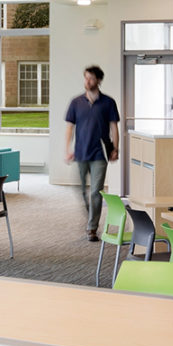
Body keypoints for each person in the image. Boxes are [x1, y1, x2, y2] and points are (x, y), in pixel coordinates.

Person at [64, 64, 120, 242]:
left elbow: (114, 128)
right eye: (86, 78)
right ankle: (92, 218)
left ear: (99, 81)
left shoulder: (108, 102)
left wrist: (115, 148)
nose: (87, 81)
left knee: (96, 191)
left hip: (100, 153)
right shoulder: (76, 102)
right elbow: (69, 128)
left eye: (91, 78)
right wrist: (68, 150)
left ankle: (92, 228)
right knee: (83, 192)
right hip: (81, 153)